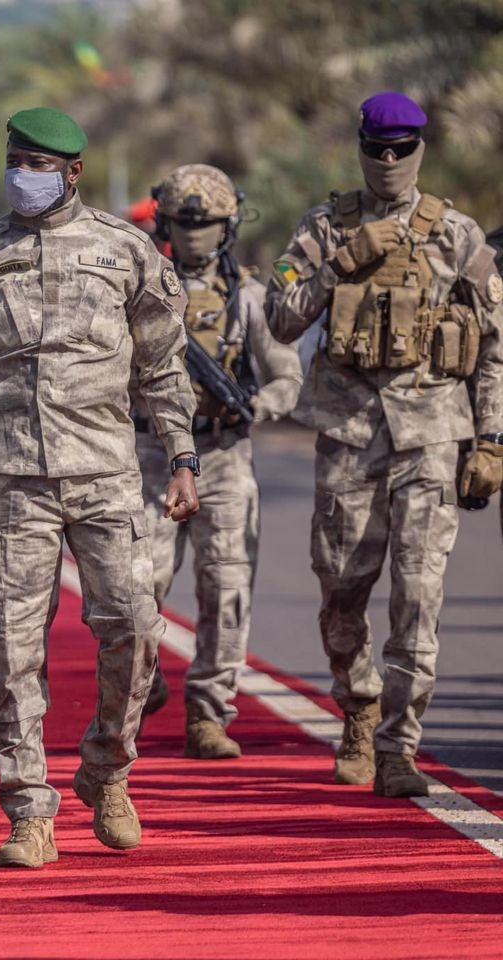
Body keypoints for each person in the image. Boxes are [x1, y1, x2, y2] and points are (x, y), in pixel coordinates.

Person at [0, 107, 198, 868]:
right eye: (14, 160)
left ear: (72, 172)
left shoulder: (125, 251)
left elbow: (163, 365)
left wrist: (181, 457)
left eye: (37, 163)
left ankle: (106, 769)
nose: (21, 175)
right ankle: (28, 810)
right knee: (13, 650)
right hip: (12, 479)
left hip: (104, 469)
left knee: (134, 629)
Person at [265, 92, 503, 797]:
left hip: (432, 435)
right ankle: (358, 707)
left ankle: (399, 744)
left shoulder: (458, 236)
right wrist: (336, 264)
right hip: (348, 436)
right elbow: (278, 320)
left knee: (418, 595)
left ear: (420, 149)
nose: (390, 160)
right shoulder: (320, 228)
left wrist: (489, 437)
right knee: (340, 589)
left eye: (403, 148)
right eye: (379, 148)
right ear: (361, 147)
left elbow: (493, 348)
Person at [134, 165, 302, 758]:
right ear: (166, 224)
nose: (195, 233)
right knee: (136, 583)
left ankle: (208, 713)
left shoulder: (248, 297)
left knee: (226, 588)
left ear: (227, 225)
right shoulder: (140, 286)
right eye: (185, 222)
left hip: (223, 454)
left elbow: (286, 376)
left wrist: (254, 407)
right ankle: (141, 682)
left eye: (206, 223)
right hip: (148, 453)